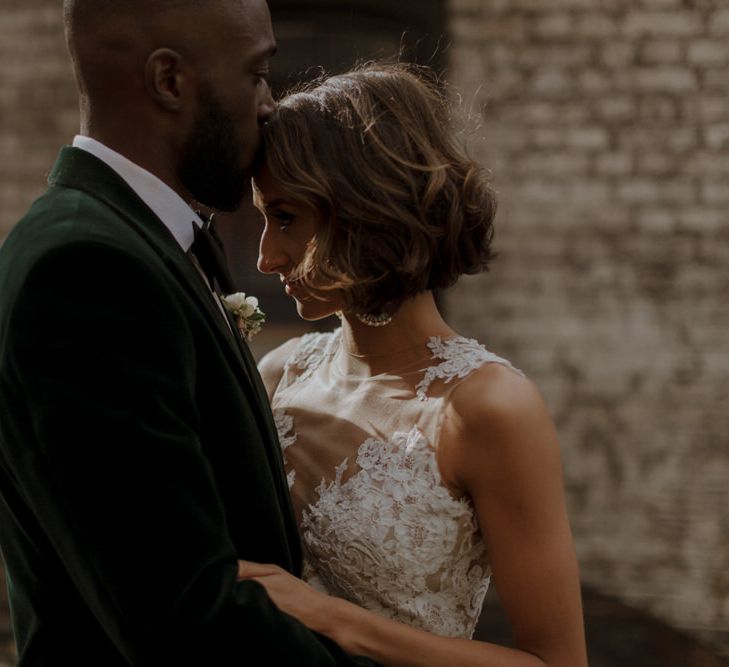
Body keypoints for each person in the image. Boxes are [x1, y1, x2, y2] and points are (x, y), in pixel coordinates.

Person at [0, 1, 378, 665]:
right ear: (169, 81)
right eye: (256, 73)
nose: (269, 103)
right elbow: (188, 623)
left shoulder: (144, 243)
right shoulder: (86, 272)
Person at [241, 63, 589, 666]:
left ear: (364, 208)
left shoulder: (489, 409)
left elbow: (556, 662)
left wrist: (331, 617)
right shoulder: (278, 374)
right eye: (263, 218)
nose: (266, 257)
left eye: (287, 217)